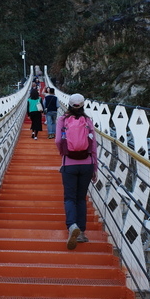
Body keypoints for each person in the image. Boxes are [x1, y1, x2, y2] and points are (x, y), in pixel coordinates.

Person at [55, 93, 98, 249]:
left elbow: (58, 140)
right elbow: (93, 146)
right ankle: (81, 233)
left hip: (69, 164)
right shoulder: (88, 121)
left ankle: (72, 225)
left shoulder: (63, 120)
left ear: (69, 104)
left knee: (69, 198)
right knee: (81, 198)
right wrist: (95, 168)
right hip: (87, 164)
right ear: (83, 105)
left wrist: (63, 152)